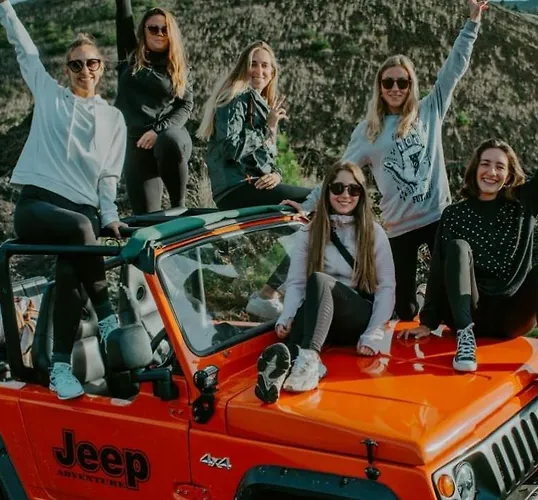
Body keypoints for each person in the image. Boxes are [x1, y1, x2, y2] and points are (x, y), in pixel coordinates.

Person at [403, 81, 538, 402]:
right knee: (458, 248)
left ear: (509, 173)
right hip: (467, 313)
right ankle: (465, 341)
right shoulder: (455, 214)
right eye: (485, 164)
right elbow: (438, 270)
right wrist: (428, 321)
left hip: (511, 316)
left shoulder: (523, 203)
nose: (491, 172)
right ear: (475, 169)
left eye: (499, 166)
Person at [289, 0, 489, 322]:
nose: (395, 88)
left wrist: (473, 22)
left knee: (449, 300)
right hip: (399, 227)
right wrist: (309, 205)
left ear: (411, 85)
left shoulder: (429, 110)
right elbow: (342, 172)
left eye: (402, 82)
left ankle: (438, 305)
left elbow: (454, 67)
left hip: (438, 217)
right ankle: (419, 294)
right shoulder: (368, 132)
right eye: (388, 83)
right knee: (405, 310)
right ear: (380, 88)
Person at [0, 0, 127, 399]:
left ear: (102, 67)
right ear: (66, 70)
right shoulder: (49, 96)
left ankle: (61, 368)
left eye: (92, 63)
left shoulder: (113, 119)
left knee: (71, 269)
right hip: (37, 206)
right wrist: (3, 6)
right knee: (81, 230)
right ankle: (108, 318)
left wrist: (111, 215)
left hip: (81, 213)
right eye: (76, 64)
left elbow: (109, 176)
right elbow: (26, 50)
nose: (85, 70)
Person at [254, 162, 395, 404]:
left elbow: (386, 288)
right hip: (323, 322)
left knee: (319, 281)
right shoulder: (310, 232)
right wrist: (287, 316)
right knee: (303, 309)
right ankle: (281, 372)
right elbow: (296, 283)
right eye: (338, 188)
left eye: (353, 189)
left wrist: (373, 333)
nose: (345, 195)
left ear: (361, 194)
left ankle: (309, 358)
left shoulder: (373, 233)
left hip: (356, 317)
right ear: (327, 190)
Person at [197, 41, 312, 318]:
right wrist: (268, 128)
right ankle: (269, 294)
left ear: (273, 73)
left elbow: (267, 159)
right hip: (237, 187)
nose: (259, 70)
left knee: (307, 228)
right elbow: (231, 148)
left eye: (265, 66)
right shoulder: (234, 96)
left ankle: (273, 294)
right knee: (317, 199)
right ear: (243, 67)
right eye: (254, 64)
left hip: (252, 184)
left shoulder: (259, 104)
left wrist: (277, 175)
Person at [115, 0, 194, 214]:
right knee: (146, 219)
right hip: (137, 146)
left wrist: (157, 130)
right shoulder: (130, 57)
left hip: (169, 141)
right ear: (144, 31)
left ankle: (179, 206)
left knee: (169, 139)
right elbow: (123, 21)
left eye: (165, 29)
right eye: (153, 28)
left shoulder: (178, 67)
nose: (159, 33)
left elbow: (186, 105)